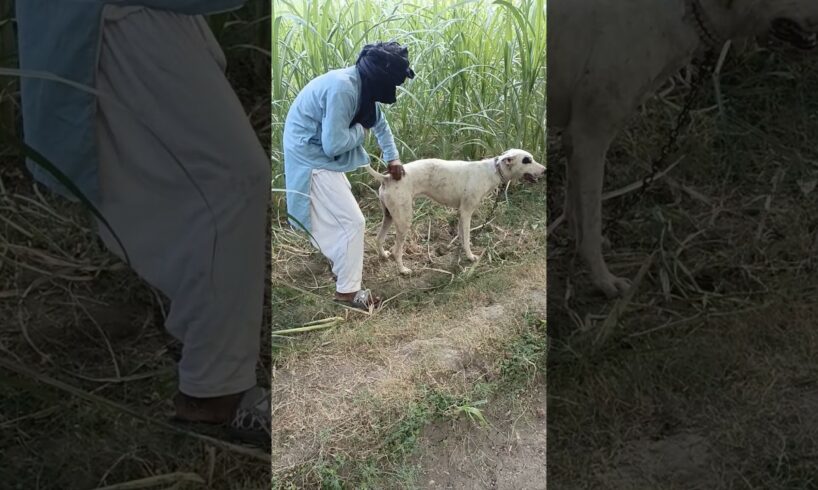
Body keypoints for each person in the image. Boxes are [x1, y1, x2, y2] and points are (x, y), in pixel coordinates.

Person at [16, 2, 271, 445]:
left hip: (126, 12)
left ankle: (209, 341)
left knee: (198, 176)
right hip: (110, 12)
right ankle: (212, 392)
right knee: (231, 181)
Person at [283, 41, 414, 310]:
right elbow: (334, 144)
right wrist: (360, 133)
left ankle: (341, 266)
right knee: (353, 222)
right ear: (380, 79)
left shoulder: (361, 86)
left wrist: (393, 157)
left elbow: (378, 122)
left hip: (319, 152)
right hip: (311, 154)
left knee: (339, 217)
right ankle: (348, 294)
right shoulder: (344, 88)